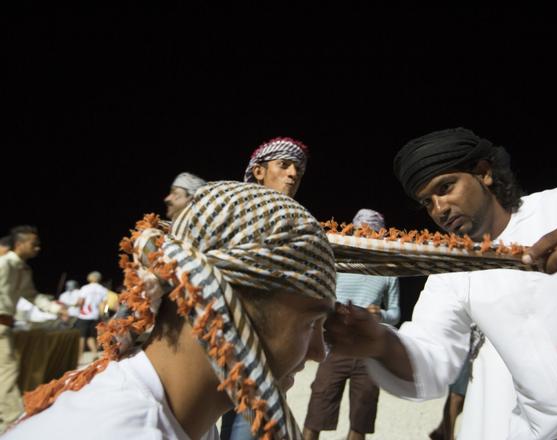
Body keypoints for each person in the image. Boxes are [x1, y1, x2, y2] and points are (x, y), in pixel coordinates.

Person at [325, 127, 557, 439]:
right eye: (427, 202)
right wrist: (381, 344)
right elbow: (431, 357)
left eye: (446, 187)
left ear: (484, 172)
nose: (439, 209)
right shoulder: (452, 271)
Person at [4, 181, 337, 440]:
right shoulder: (121, 430)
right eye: (310, 323)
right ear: (220, 306)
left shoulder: (186, 417)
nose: (320, 352)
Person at [222, 136, 311, 440]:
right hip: (222, 342)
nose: (293, 174)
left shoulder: (299, 225)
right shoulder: (232, 212)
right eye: (284, 165)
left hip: (268, 357)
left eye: (297, 169)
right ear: (259, 172)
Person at [303, 209, 400, 440]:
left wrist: (381, 314)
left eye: (371, 232)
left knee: (361, 418)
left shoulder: (388, 272)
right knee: (317, 410)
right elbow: (320, 299)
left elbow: (396, 313)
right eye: (360, 231)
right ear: (354, 232)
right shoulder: (339, 265)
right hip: (335, 347)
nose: (365, 237)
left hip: (369, 353)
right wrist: (332, 308)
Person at [0, 226, 61, 432]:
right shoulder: (3, 264)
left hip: (6, 324)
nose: (38, 247)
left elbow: (31, 295)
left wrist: (54, 308)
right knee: (7, 370)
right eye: (33, 243)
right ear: (19, 244)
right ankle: (12, 422)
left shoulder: (23, 269)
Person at [243, 137, 309, 198]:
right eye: (283, 164)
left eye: (298, 169)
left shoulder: (299, 210)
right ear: (259, 172)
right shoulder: (237, 203)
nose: (294, 173)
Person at [74, 271, 108, 361]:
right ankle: (94, 354)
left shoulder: (85, 288)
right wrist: (105, 313)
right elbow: (105, 304)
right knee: (90, 336)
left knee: (81, 337)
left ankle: (79, 357)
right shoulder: (103, 289)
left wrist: (75, 305)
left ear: (90, 278)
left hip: (84, 316)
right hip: (95, 316)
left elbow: (80, 302)